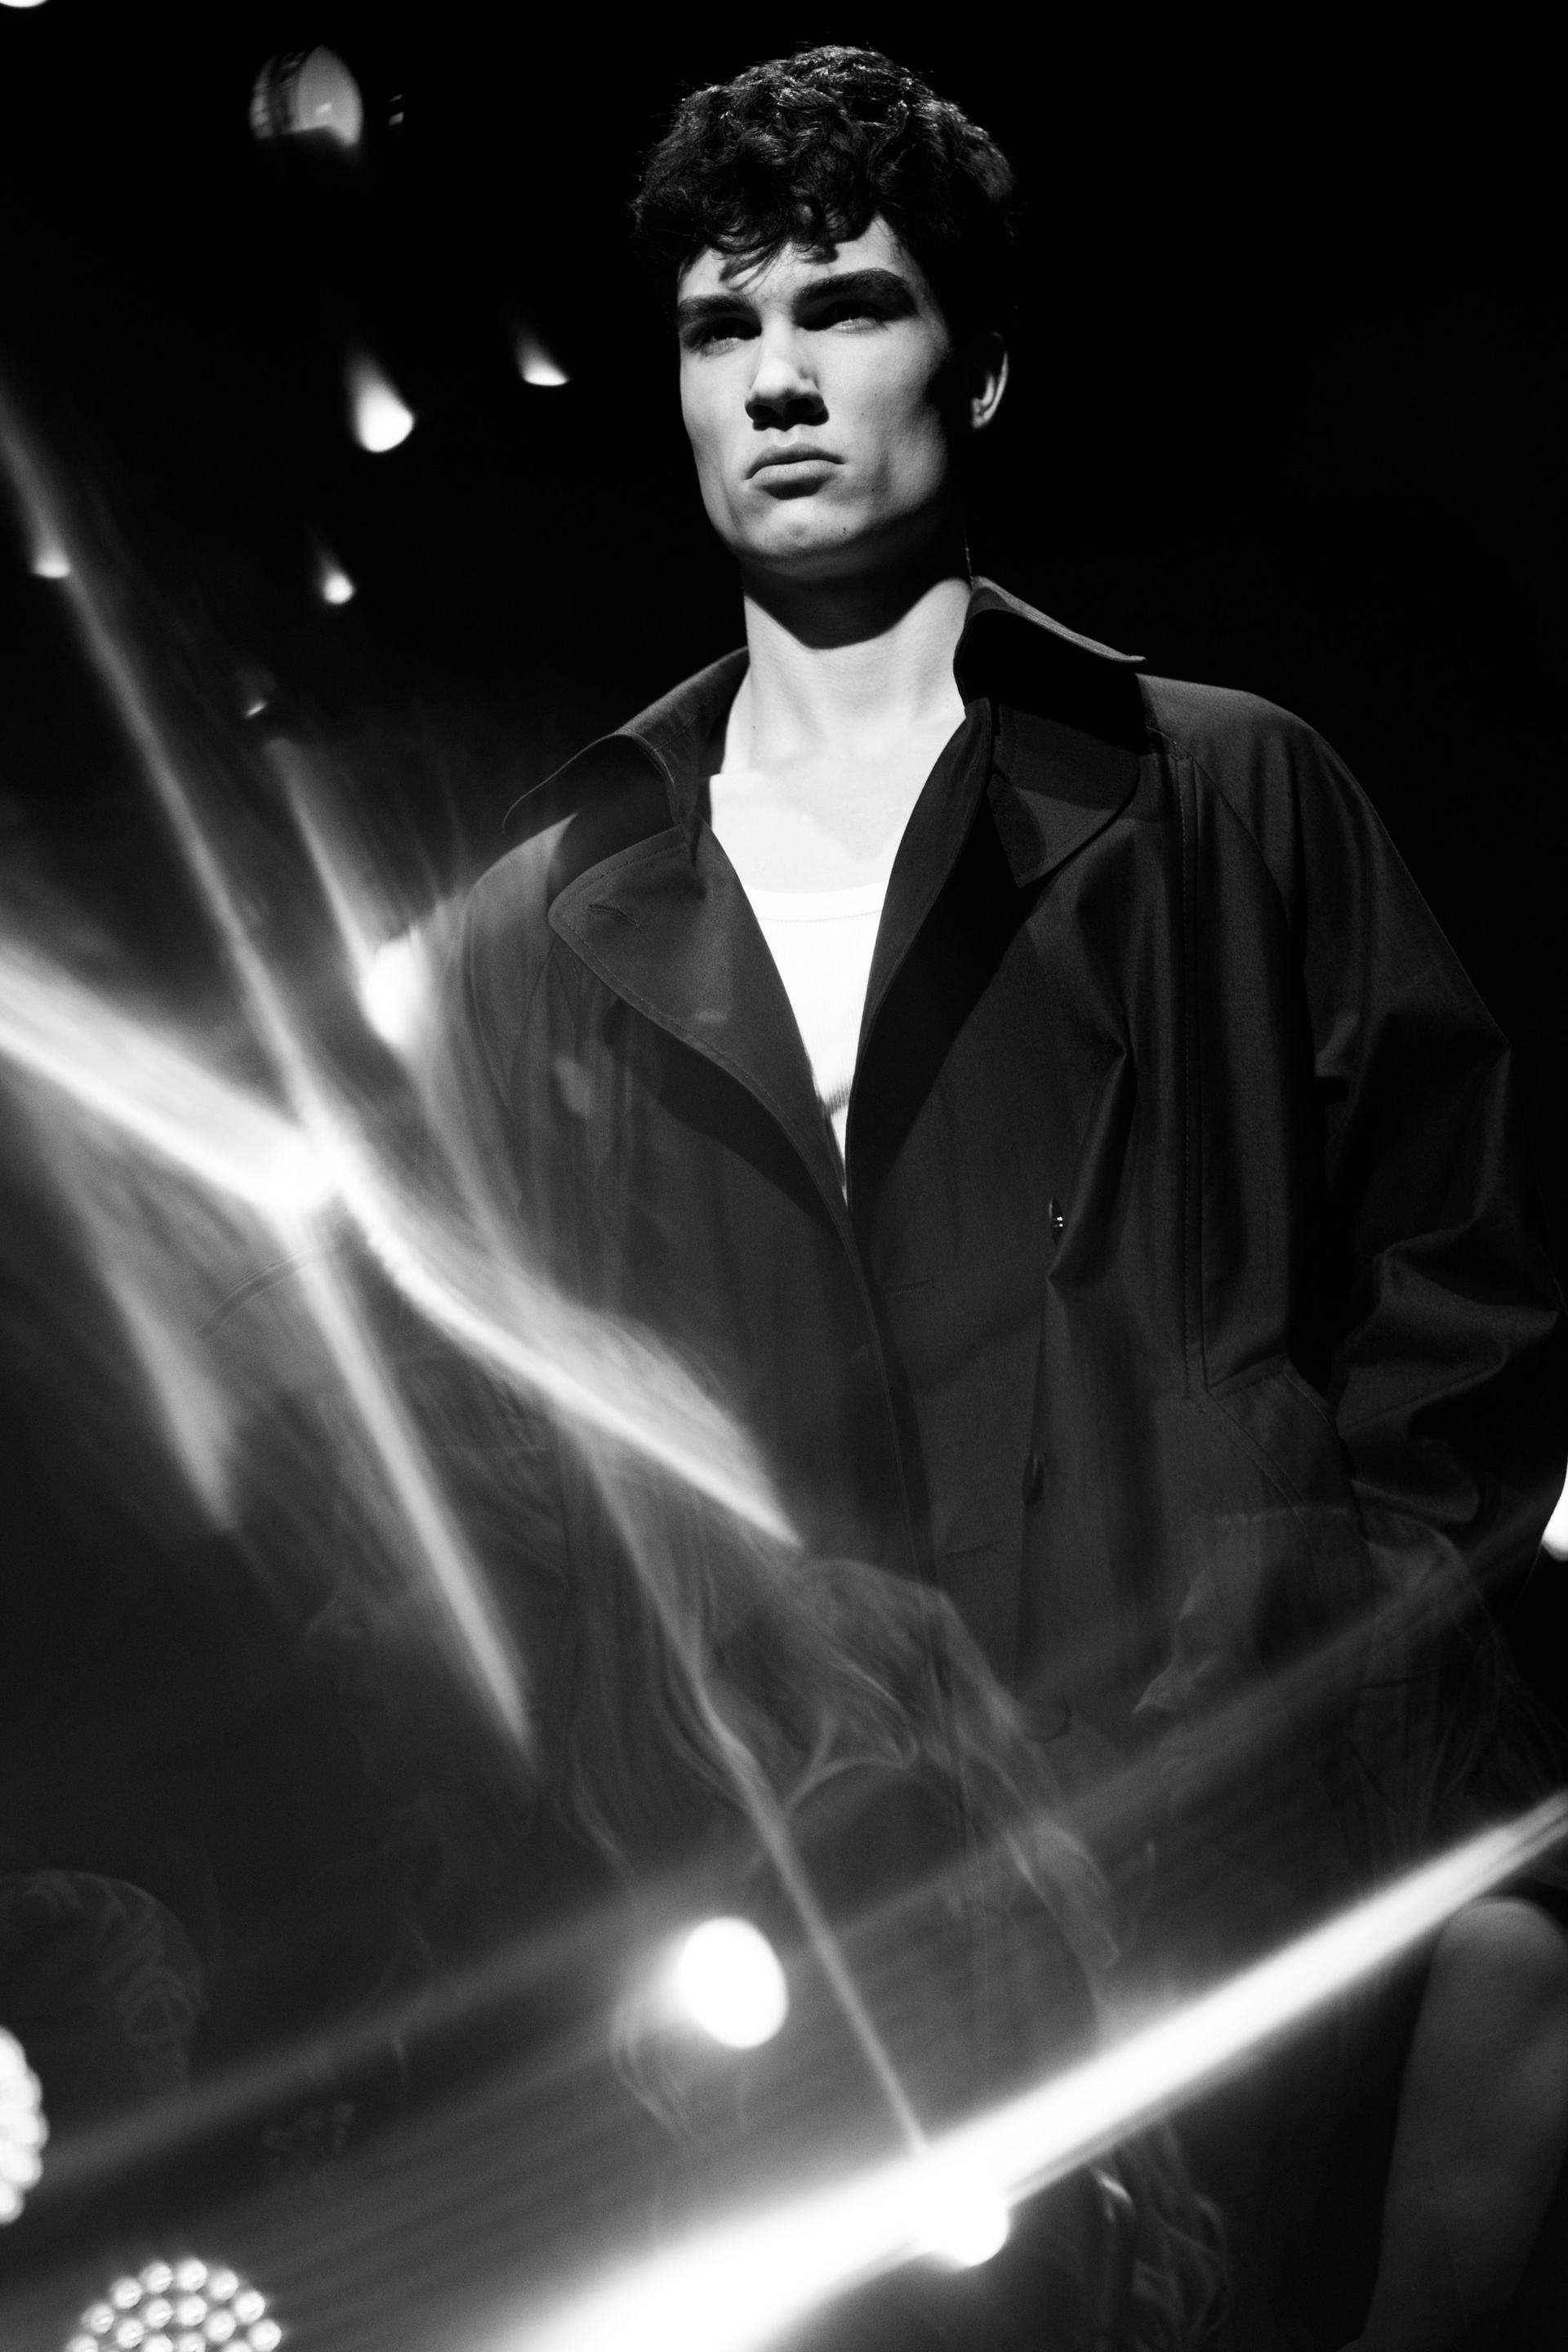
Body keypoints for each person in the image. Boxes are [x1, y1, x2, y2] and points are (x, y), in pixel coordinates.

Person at [441, 44, 1568, 2345]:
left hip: (1232, 1889)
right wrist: (662, 1781)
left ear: (981, 362)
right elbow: (487, 1442)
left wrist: (1297, 1660)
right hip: (792, 1950)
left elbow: (1463, 1288)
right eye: (720, 326)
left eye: (845, 306)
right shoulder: (543, 921)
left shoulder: (1229, 800)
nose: (776, 377)